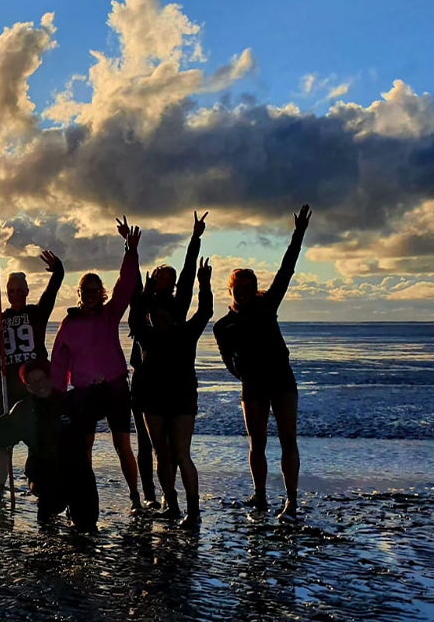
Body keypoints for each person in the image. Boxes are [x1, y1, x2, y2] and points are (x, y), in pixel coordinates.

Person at [214, 204, 312, 522]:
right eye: (237, 288)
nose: (242, 292)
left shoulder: (268, 304)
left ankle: (291, 500)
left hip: (282, 379)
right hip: (253, 385)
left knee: (287, 439)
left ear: (255, 289)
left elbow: (286, 270)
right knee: (257, 443)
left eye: (247, 287)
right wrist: (242, 372)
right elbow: (227, 360)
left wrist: (298, 234)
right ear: (230, 290)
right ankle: (260, 496)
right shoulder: (223, 325)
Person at [49, 218, 144, 512]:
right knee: (83, 448)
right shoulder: (69, 323)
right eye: (84, 291)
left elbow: (125, 285)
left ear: (100, 293)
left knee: (122, 445)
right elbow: (59, 364)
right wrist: (56, 398)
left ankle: (135, 498)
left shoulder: (109, 313)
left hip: (114, 387)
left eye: (94, 291)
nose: (89, 295)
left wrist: (130, 250)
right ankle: (83, 500)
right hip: (83, 394)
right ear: (78, 294)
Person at [128, 211, 206, 508]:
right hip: (145, 378)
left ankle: (172, 496)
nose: (166, 283)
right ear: (154, 279)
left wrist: (195, 239)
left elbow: (188, 275)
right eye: (161, 278)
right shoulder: (145, 304)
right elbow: (135, 298)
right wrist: (131, 250)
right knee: (148, 443)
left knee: (172, 447)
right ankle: (152, 496)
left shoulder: (178, 306)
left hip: (174, 381)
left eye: (169, 280)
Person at [0, 359, 99, 531]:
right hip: (44, 475)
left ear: (51, 378)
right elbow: (1, 436)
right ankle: (46, 524)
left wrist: (98, 386)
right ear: (27, 387)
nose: (39, 385)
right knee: (47, 526)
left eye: (41, 379)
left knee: (87, 528)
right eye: (32, 382)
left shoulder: (71, 401)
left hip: (78, 474)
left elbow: (99, 406)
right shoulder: (25, 410)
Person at [0, 250, 65, 490]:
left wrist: (58, 268)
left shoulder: (36, 314)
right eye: (11, 291)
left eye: (20, 291)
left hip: (35, 386)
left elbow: (52, 291)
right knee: (2, 439)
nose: (15, 295)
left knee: (39, 435)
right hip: (7, 385)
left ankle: (39, 482)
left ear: (27, 292)